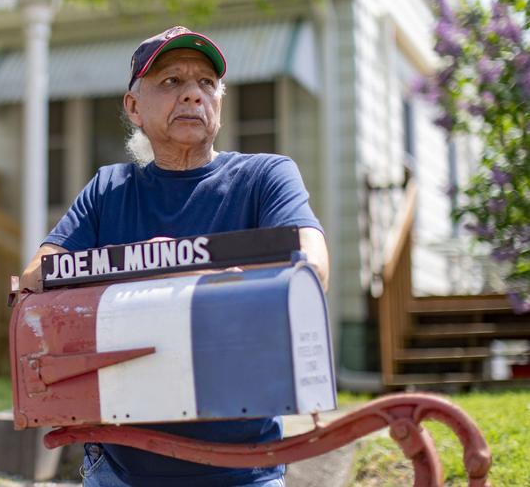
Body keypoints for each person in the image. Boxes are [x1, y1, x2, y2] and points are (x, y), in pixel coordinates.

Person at [19, 26, 330, 487]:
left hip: (244, 468)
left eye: (206, 83)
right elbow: (36, 278)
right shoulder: (109, 189)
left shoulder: (266, 176)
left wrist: (165, 271)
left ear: (219, 103)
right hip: (120, 468)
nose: (192, 95)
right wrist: (157, 269)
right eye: (171, 82)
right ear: (133, 107)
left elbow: (311, 263)